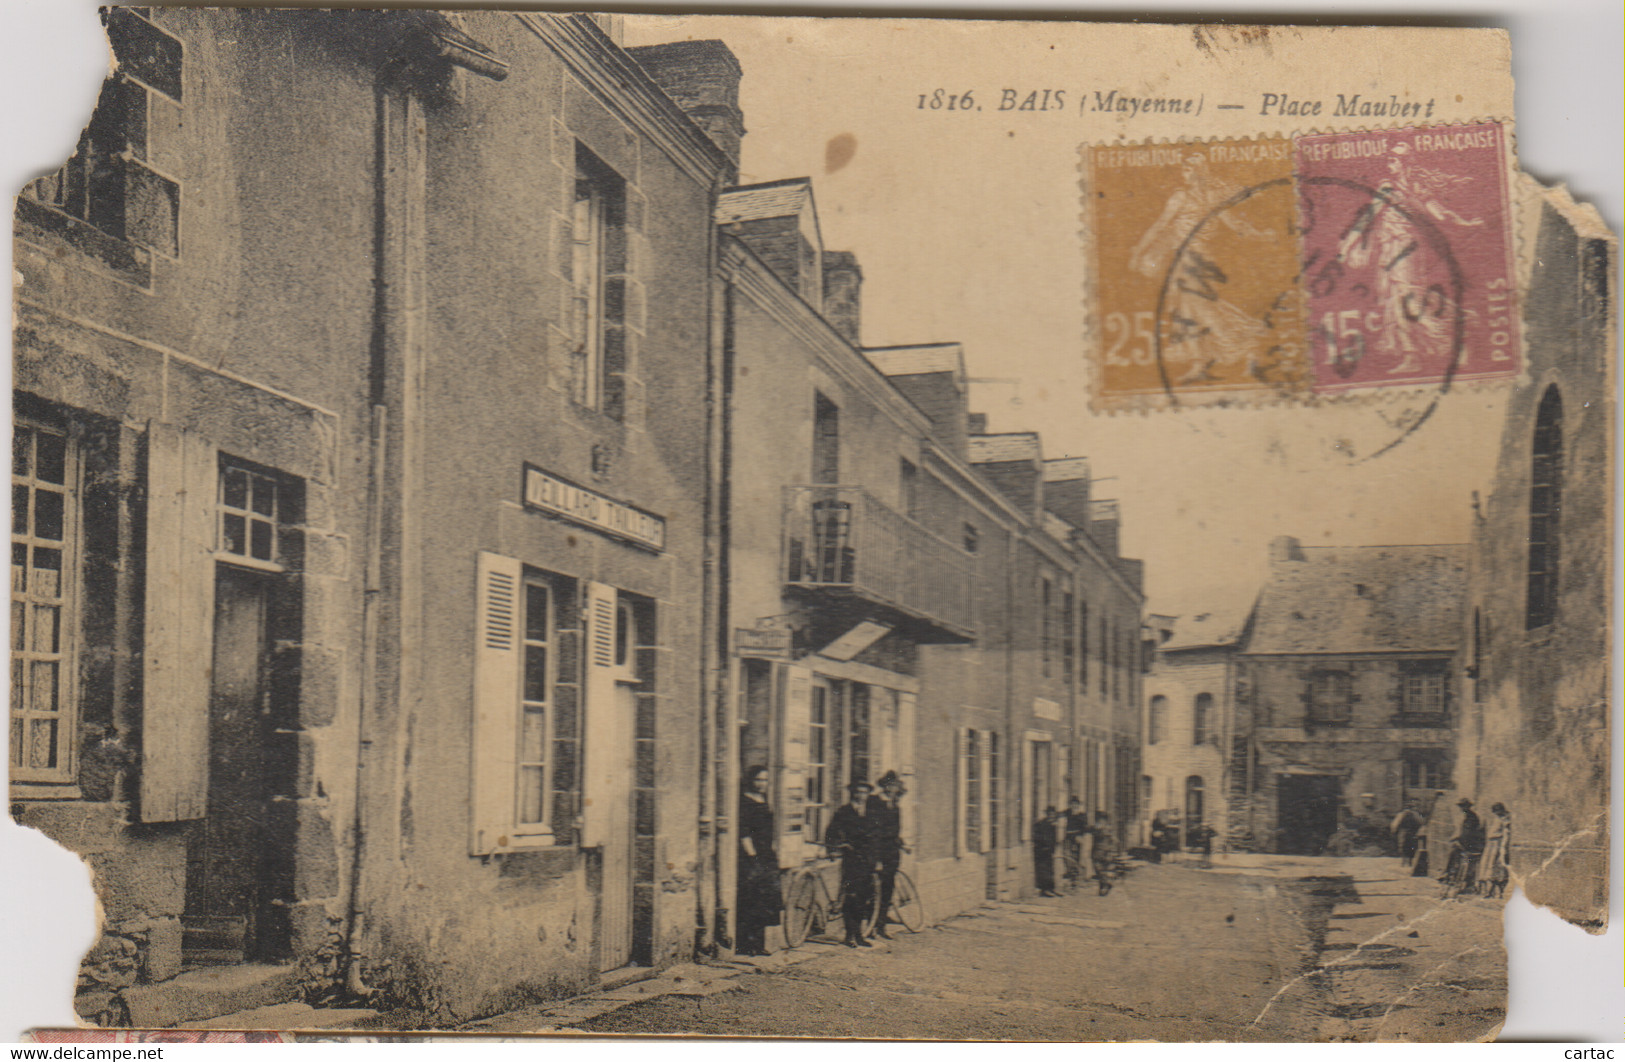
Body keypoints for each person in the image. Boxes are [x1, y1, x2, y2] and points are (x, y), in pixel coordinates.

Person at [824, 780, 881, 947]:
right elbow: (831, 831)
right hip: (852, 859)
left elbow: (877, 837)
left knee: (864, 898)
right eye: (857, 792)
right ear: (852, 793)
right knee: (851, 897)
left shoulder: (872, 812)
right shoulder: (844, 812)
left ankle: (859, 934)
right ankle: (849, 934)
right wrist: (833, 848)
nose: (860, 796)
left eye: (863, 792)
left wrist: (877, 861)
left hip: (868, 860)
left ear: (867, 795)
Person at [735, 766, 780, 957]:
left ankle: (759, 943)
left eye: (765, 780)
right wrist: (752, 857)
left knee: (764, 901)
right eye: (758, 780)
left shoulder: (763, 800)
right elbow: (744, 833)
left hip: (767, 854)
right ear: (750, 781)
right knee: (751, 900)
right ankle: (746, 944)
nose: (762, 784)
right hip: (752, 856)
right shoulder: (744, 802)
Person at [867, 771, 909, 939]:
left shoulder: (895, 805)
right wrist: (876, 857)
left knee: (887, 889)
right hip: (877, 850)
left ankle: (881, 926)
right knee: (873, 890)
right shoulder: (875, 802)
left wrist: (901, 843)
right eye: (889, 785)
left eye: (895, 786)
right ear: (884, 786)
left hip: (892, 852)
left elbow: (894, 831)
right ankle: (869, 926)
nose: (892, 788)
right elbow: (874, 831)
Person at [1445, 797, 1486, 893]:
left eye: (1463, 806)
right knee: (1453, 854)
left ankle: (1459, 881)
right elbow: (1461, 831)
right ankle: (1450, 876)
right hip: (1464, 842)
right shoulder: (1465, 816)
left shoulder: (1471, 817)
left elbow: (1468, 833)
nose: (1462, 808)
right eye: (1461, 806)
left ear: (1468, 806)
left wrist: (1460, 841)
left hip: (1470, 844)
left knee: (1460, 858)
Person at [1482, 803, 1512, 899]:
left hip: (1498, 845)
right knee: (1490, 867)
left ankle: (1499, 892)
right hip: (1491, 845)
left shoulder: (1505, 820)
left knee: (1498, 868)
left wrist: (1503, 848)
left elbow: (1506, 834)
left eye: (1497, 812)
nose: (1496, 814)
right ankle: (1489, 892)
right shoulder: (1497, 818)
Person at [1032, 807, 1061, 897]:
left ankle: (1051, 889)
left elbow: (1055, 839)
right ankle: (1044, 890)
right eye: (1050, 815)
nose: (1052, 817)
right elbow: (1037, 837)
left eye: (1053, 815)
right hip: (1041, 852)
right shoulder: (1041, 824)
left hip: (1049, 851)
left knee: (1050, 870)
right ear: (1047, 815)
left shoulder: (1053, 825)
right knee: (1043, 871)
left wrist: (1053, 849)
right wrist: (1044, 846)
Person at [1063, 797, 1090, 887]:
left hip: (1078, 838)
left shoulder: (1082, 815)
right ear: (1070, 805)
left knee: (1078, 856)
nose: (1074, 806)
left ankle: (1077, 877)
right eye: (1072, 804)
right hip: (1068, 838)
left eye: (1076, 804)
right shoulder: (1066, 813)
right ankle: (1070, 873)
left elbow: (1085, 828)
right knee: (1067, 855)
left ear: (1078, 805)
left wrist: (1081, 836)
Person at [1092, 812, 1118, 895]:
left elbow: (1114, 841)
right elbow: (1093, 836)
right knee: (1098, 870)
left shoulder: (1108, 831)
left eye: (1103, 821)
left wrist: (1112, 852)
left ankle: (1104, 886)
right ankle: (1105, 884)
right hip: (1097, 853)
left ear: (1106, 822)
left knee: (1104, 870)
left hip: (1106, 852)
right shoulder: (1096, 829)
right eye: (1099, 821)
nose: (1101, 823)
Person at [1390, 802, 1424, 866]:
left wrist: (1393, 831)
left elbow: (1395, 824)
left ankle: (1404, 862)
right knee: (1410, 847)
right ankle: (1409, 862)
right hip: (1412, 832)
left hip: (1404, 832)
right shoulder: (1415, 814)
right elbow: (1421, 822)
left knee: (1403, 846)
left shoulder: (1401, 814)